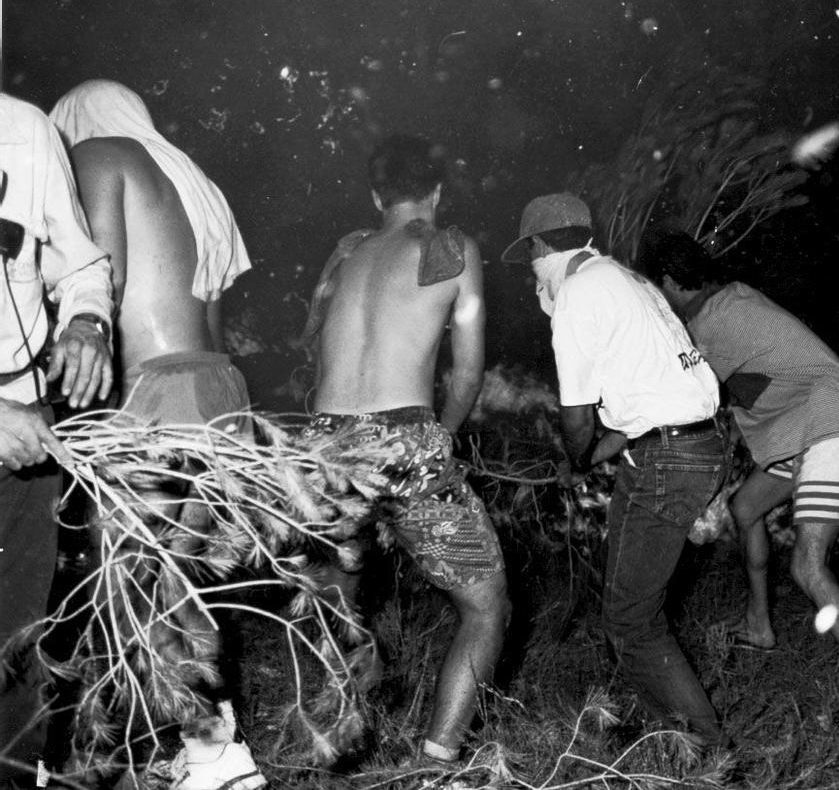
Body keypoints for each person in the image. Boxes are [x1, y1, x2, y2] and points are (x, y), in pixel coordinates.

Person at [50, 80, 264, 789]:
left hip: (157, 394)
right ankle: (215, 754)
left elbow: (96, 284)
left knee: (127, 592)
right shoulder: (191, 178)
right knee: (176, 587)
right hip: (219, 390)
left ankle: (99, 761)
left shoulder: (97, 153)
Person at [639, 230, 839, 735]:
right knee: (746, 509)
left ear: (670, 281)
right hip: (802, 430)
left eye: (657, 290)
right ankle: (759, 626)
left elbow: (684, 395)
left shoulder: (718, 320)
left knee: (808, 566)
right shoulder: (725, 303)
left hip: (833, 425)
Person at [301, 134, 509, 766]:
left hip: (325, 441)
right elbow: (468, 372)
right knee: (486, 607)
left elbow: (311, 339)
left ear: (375, 196)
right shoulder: (452, 247)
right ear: (438, 192)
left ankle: (330, 742)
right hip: (404, 435)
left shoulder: (348, 250)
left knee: (339, 590)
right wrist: (440, 436)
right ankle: (435, 762)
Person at [501, 194, 730, 748]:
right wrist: (577, 464)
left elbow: (577, 418)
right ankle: (666, 732)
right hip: (689, 446)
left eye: (529, 255)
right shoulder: (629, 282)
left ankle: (709, 751)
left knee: (631, 620)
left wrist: (576, 455)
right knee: (628, 609)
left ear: (538, 248)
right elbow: (634, 417)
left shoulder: (579, 294)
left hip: (667, 460)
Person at [0, 92, 114, 788]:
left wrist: (86, 324)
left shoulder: (28, 129)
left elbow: (80, 263)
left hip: (26, 420)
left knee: (17, 637)